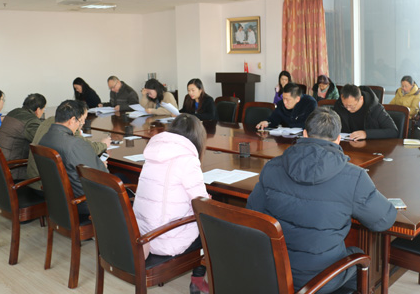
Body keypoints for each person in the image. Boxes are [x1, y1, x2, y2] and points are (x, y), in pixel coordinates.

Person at [247, 108, 397, 293]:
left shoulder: (272, 167)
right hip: (321, 279)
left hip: (275, 271)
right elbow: (384, 221)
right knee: (359, 257)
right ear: (338, 139)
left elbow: (252, 213)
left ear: (304, 134)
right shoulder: (354, 177)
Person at [133, 114, 210, 293]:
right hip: (165, 239)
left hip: (143, 234)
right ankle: (198, 280)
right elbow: (202, 204)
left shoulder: (152, 153)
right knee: (211, 227)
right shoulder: (188, 160)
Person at [38, 100, 109, 215]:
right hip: (82, 203)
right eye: (81, 121)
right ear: (72, 120)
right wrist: (101, 165)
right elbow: (102, 176)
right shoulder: (75, 144)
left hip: (57, 201)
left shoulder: (44, 138)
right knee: (123, 182)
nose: (82, 124)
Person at [27, 114, 110, 193]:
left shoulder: (48, 132)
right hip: (50, 188)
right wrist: (99, 165)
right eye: (82, 119)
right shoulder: (71, 141)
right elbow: (88, 152)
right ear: (73, 119)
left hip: (40, 183)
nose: (83, 122)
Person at [0, 93, 47, 180]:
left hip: (0, 165)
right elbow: (42, 142)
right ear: (38, 110)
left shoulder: (14, 112)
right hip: (13, 170)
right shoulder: (31, 121)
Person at [333, 84, 398, 140]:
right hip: (346, 145)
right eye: (345, 106)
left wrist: (366, 134)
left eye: (351, 106)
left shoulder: (375, 108)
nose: (348, 109)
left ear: (361, 99)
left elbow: (393, 131)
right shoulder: (339, 106)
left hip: (370, 147)